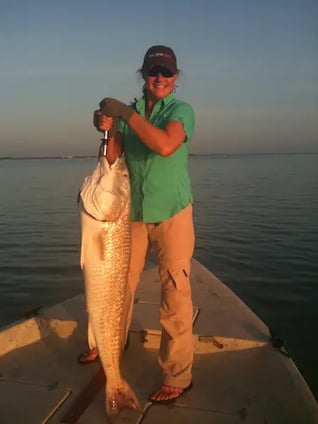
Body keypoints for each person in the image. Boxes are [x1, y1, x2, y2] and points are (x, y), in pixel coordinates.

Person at [79, 45, 195, 403]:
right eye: (153, 72)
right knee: (115, 285)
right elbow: (113, 157)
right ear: (143, 75)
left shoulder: (180, 111)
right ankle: (108, 342)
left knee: (175, 289)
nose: (159, 78)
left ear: (176, 77)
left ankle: (177, 372)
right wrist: (106, 127)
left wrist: (127, 116)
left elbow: (164, 146)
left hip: (172, 212)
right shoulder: (130, 112)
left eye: (166, 73)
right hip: (128, 214)